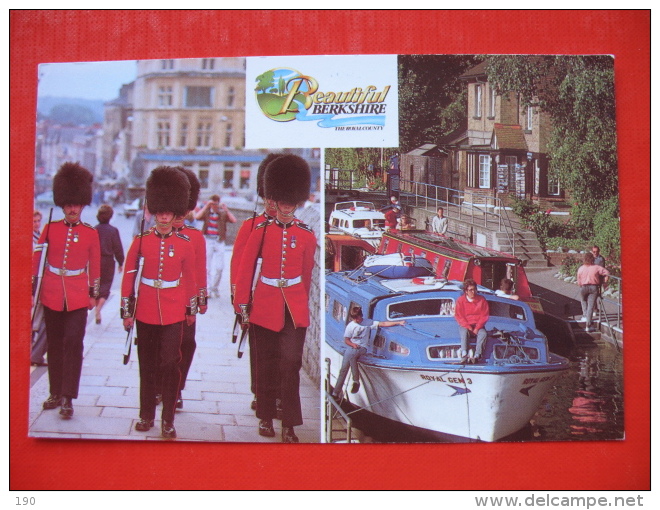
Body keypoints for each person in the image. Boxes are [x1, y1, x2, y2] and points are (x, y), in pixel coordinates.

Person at [234, 154, 316, 443]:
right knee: (266, 363)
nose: (285, 207)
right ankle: (266, 417)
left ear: (296, 202)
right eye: (282, 202)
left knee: (291, 363)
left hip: (293, 309)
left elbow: (305, 277)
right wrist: (242, 305)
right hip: (264, 305)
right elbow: (245, 270)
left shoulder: (306, 235)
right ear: (275, 199)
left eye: (290, 202)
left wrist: (300, 307)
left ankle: (290, 425)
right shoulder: (261, 230)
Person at [121, 166, 198, 439]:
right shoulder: (140, 242)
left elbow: (189, 279)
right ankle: (146, 415)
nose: (164, 217)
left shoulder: (185, 243)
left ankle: (167, 419)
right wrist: (127, 311)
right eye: (160, 212)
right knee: (147, 365)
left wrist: (190, 309)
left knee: (170, 363)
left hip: (174, 311)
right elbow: (129, 277)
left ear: (175, 212)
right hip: (145, 311)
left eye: (169, 212)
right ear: (154, 211)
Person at [31, 163, 101, 418]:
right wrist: (33, 289)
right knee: (56, 346)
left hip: (77, 297)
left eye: (76, 205)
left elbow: (94, 265)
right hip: (51, 294)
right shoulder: (50, 229)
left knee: (73, 343)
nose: (72, 209)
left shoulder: (90, 233)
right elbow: (37, 261)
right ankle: (55, 392)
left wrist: (93, 293)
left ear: (82, 205)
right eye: (68, 205)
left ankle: (69, 396)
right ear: (62, 205)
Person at [230, 153, 282, 413]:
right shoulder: (251, 226)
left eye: (277, 197)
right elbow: (239, 267)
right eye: (269, 197)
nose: (272, 203)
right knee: (259, 352)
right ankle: (259, 392)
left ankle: (278, 395)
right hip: (256, 299)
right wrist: (239, 303)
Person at [169, 167, 208, 410]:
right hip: (161, 300)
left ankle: (177, 388)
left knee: (186, 345)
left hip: (186, 301)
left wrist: (200, 301)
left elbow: (200, 271)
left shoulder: (195, 236)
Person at [331, 306, 404, 399]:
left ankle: (356, 381)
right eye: (354, 318)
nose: (356, 320)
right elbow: (346, 340)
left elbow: (383, 323)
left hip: (362, 348)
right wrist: (353, 345)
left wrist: (398, 322)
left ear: (361, 316)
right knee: (343, 369)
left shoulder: (368, 322)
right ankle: (336, 392)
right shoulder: (351, 326)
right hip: (353, 347)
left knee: (351, 357)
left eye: (357, 318)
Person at [195, 194, 237, 298]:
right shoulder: (207, 212)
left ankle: (215, 287)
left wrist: (226, 210)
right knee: (207, 267)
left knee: (220, 267)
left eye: (215, 204)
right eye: (212, 204)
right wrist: (206, 206)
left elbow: (234, 220)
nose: (214, 206)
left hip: (219, 241)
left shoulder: (222, 214)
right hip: (208, 240)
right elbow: (196, 216)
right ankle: (207, 290)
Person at [93, 204, 124, 324]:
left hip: (95, 261)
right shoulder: (113, 231)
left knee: (96, 286)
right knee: (105, 287)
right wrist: (120, 262)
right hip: (108, 261)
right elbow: (118, 248)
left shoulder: (94, 229)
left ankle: (97, 309)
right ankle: (98, 309)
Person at [454, 279, 489, 364]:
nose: (473, 292)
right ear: (466, 291)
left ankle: (477, 355)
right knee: (464, 333)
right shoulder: (460, 301)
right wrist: (469, 327)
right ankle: (464, 354)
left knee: (483, 334)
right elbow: (459, 316)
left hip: (478, 325)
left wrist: (477, 328)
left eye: (474, 289)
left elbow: (484, 315)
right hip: (465, 325)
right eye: (470, 290)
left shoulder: (482, 300)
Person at [576, 252, 610, 333]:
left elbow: (579, 281)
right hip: (593, 287)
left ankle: (584, 315)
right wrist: (606, 279)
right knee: (591, 306)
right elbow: (607, 272)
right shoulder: (596, 267)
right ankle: (588, 325)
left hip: (583, 287)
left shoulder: (581, 268)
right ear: (592, 259)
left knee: (583, 300)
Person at [31, 211, 48, 366]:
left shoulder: (38, 236)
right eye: (34, 221)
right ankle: (34, 354)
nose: (36, 224)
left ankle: (35, 353)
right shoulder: (30, 239)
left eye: (38, 221)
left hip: (41, 282)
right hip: (34, 283)